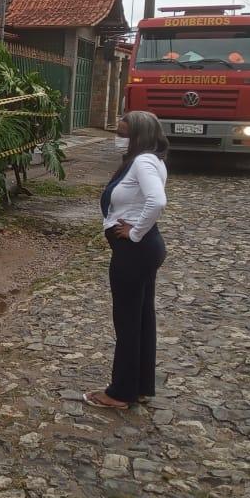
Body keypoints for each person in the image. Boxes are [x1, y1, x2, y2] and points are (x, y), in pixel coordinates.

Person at [84, 110, 169, 410]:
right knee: (143, 318)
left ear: (138, 137)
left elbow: (157, 200)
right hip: (146, 250)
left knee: (128, 322)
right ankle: (141, 386)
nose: (117, 139)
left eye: (122, 134)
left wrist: (134, 234)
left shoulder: (143, 161)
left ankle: (120, 393)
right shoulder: (149, 160)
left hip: (135, 252)